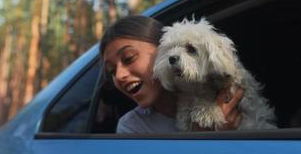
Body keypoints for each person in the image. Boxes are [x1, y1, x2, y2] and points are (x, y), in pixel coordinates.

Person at [99, 15, 245, 133]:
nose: (119, 75)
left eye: (129, 58)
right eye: (111, 71)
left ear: (162, 48)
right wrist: (213, 141)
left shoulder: (231, 90)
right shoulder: (131, 128)